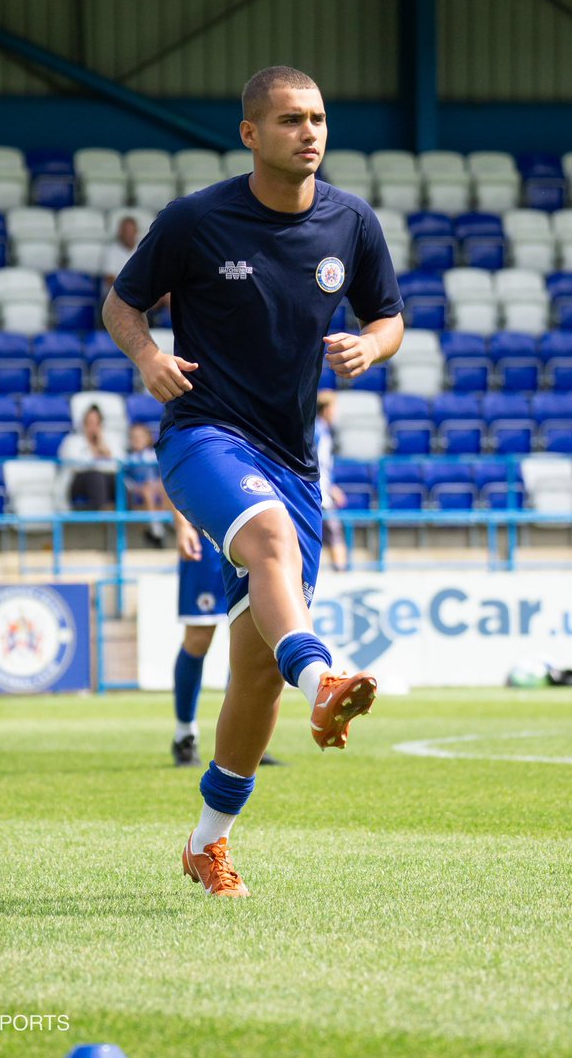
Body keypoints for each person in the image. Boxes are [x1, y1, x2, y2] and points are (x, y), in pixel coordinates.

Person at [103, 64, 404, 897]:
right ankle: (327, 679)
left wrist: (371, 347)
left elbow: (388, 315)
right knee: (267, 542)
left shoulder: (351, 221)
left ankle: (207, 843)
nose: (308, 132)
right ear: (249, 134)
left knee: (254, 671)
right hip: (203, 438)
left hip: (294, 462)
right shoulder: (196, 219)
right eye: (287, 120)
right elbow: (122, 303)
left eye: (316, 118)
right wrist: (148, 355)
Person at [171, 508, 282, 769]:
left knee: (253, 638)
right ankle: (184, 735)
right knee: (199, 637)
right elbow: (170, 469)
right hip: (207, 538)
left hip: (251, 536)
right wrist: (181, 525)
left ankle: (248, 737)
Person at [57, 404, 125, 511]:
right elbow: (75, 465)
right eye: (89, 423)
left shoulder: (109, 440)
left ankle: (126, 517)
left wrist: (103, 449)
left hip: (105, 478)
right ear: (84, 423)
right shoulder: (73, 441)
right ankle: (102, 513)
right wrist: (93, 451)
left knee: (118, 481)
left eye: (96, 423)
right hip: (78, 482)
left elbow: (119, 464)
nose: (93, 427)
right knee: (96, 477)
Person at [315, 390, 349, 572]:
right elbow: (314, 463)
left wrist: (332, 487)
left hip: (323, 492)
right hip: (319, 495)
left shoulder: (323, 431)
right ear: (326, 409)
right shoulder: (317, 431)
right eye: (334, 408)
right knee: (334, 534)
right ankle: (341, 573)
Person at [125, 422, 170, 546]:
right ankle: (156, 527)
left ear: (148, 438)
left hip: (156, 488)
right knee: (147, 491)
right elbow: (126, 480)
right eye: (134, 437)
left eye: (140, 437)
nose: (137, 440)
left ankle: (169, 521)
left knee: (164, 487)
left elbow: (161, 474)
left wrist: (156, 484)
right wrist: (137, 487)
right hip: (138, 491)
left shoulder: (154, 455)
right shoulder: (128, 458)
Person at [102, 216, 141, 289]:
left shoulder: (141, 250)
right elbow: (110, 279)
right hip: (119, 292)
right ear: (120, 233)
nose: (128, 235)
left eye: (131, 232)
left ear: (136, 232)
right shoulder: (111, 251)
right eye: (126, 232)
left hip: (140, 292)